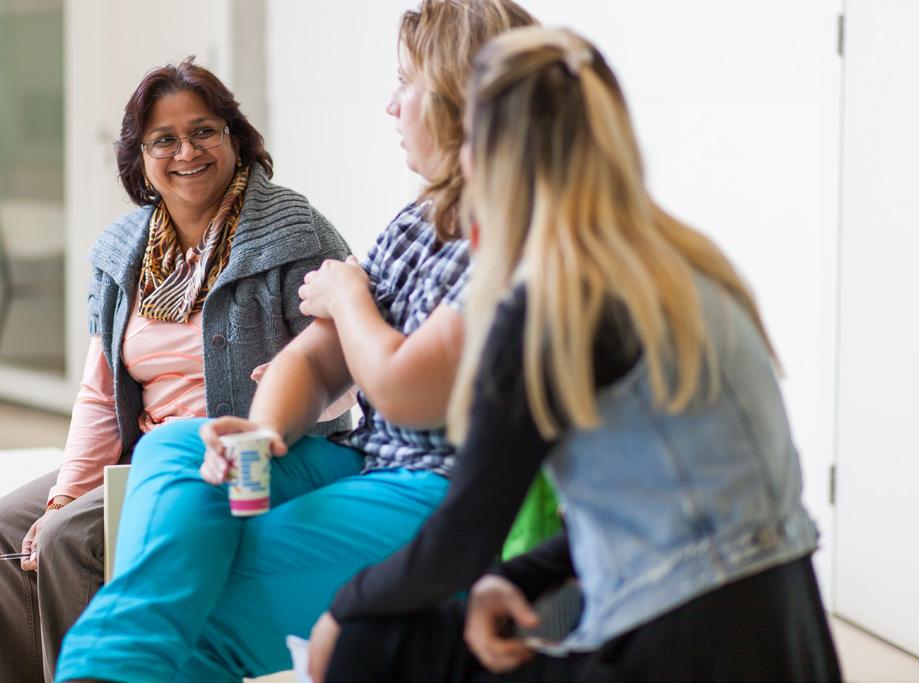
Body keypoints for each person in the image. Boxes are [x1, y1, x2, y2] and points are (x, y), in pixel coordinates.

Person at [312, 27, 844, 683]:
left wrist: (341, 610)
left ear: (492, 159)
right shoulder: (691, 270)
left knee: (371, 640)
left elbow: (460, 541)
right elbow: (648, 509)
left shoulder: (548, 306)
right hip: (794, 641)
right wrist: (512, 578)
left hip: (673, 655)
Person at [54, 3, 538, 682]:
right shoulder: (418, 221)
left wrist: (348, 298)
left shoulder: (515, 233)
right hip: (371, 461)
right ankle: (115, 660)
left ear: (463, 99)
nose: (391, 106)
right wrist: (259, 434)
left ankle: (100, 669)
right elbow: (314, 357)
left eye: (407, 84)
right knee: (178, 445)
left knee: (204, 598)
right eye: (163, 141)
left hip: (445, 488)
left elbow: (409, 390)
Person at [0, 57, 354, 683]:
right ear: (139, 158)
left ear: (234, 139)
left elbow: (341, 375)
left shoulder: (294, 231)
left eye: (205, 131)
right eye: (164, 139)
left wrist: (286, 394)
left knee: (68, 541)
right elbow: (99, 388)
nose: (186, 151)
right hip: (143, 449)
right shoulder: (122, 250)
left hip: (238, 456)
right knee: (13, 526)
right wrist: (66, 490)